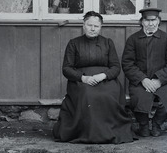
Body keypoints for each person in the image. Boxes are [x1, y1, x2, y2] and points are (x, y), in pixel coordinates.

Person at [52, 11, 135, 144]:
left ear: (101, 27)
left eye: (96, 26)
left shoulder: (108, 43)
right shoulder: (74, 43)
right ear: (83, 25)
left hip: (105, 80)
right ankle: (88, 133)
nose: (92, 28)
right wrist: (83, 78)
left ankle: (110, 132)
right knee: (88, 95)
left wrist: (103, 75)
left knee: (107, 95)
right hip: (81, 81)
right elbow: (66, 68)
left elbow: (115, 67)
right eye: (89, 25)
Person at [121, 7, 167, 137]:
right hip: (140, 81)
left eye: (154, 20)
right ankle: (143, 125)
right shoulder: (133, 39)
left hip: (162, 81)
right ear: (142, 22)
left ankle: (156, 124)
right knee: (139, 98)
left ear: (158, 21)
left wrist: (159, 80)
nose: (151, 24)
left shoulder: (166, 39)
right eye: (147, 21)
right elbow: (127, 63)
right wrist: (143, 80)